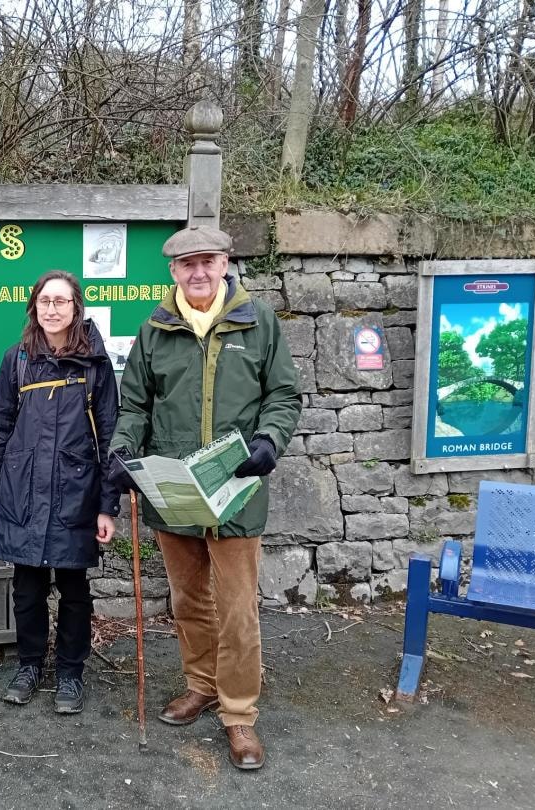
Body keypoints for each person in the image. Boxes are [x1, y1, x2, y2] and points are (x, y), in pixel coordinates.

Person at [108, 225, 301, 770]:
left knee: (238, 610)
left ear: (225, 263)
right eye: (186, 264)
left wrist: (269, 440)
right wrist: (124, 448)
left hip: (236, 488)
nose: (198, 272)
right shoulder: (155, 330)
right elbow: (136, 405)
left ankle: (239, 714)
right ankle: (201, 683)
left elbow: (283, 394)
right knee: (188, 600)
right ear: (172, 271)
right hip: (174, 488)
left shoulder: (258, 322)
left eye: (208, 261)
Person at [0, 270, 120, 714]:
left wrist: (108, 505)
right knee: (26, 589)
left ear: (76, 308)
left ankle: (70, 673)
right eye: (45, 301)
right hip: (23, 496)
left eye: (61, 302)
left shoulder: (95, 365)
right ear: (34, 307)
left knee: (74, 590)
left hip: (75, 494)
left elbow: (109, 435)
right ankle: (29, 665)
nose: (52, 309)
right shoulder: (18, 359)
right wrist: (3, 489)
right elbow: (2, 429)